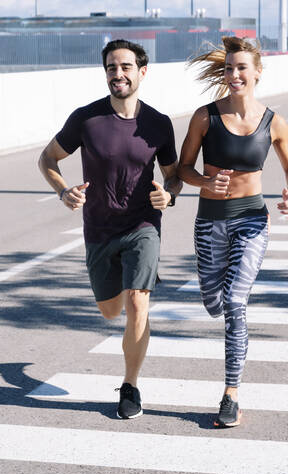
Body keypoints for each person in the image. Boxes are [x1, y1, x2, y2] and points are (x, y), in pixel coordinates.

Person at [38, 39, 182, 419]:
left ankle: (130, 385)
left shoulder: (158, 124)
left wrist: (168, 196)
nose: (117, 74)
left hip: (142, 225)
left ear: (142, 72)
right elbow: (48, 157)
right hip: (99, 230)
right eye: (111, 68)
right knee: (109, 310)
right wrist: (62, 189)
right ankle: (130, 290)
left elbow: (174, 177)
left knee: (137, 301)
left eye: (125, 67)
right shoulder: (86, 119)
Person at [177, 36, 288, 428]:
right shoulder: (205, 116)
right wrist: (203, 184)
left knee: (234, 301)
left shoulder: (272, 122)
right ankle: (221, 314)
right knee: (214, 303)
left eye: (241, 68)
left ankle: (230, 394)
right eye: (229, 68)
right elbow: (183, 168)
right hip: (210, 222)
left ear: (257, 74)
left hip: (252, 220)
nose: (233, 75)